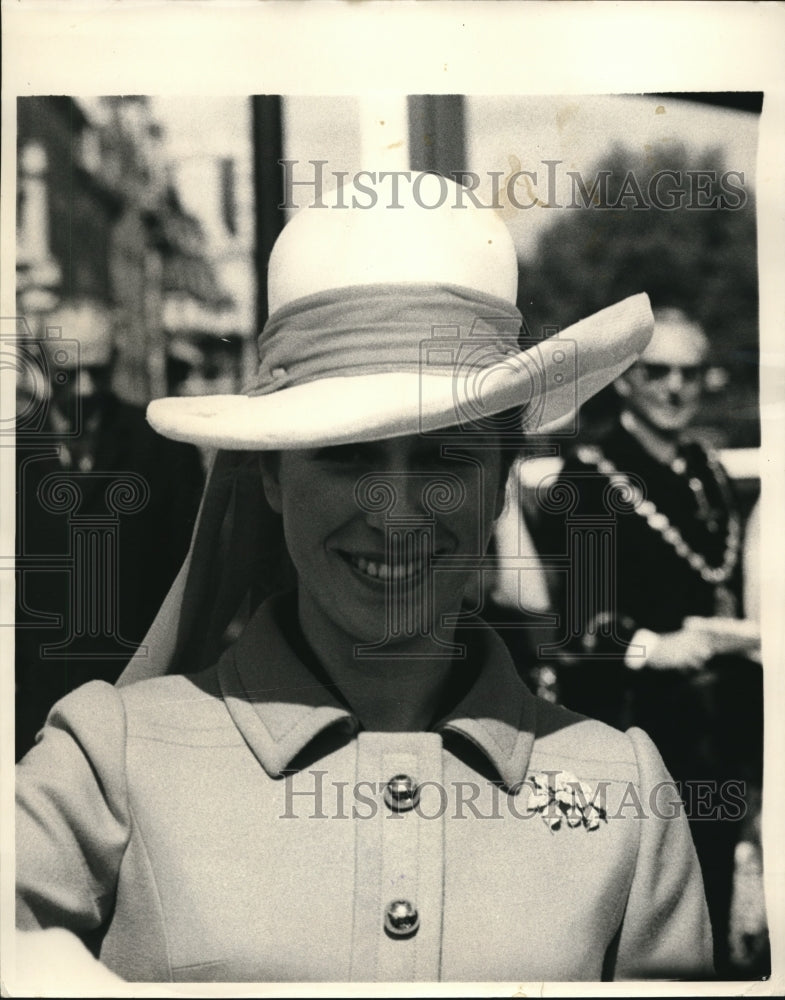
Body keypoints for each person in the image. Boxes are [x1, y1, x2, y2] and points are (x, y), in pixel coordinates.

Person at [15, 175, 713, 987]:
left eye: (445, 455)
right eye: (346, 454)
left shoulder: (620, 789)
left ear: (498, 481)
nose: (396, 512)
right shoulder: (109, 758)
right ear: (270, 476)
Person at [528, 309, 764, 976]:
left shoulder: (707, 467)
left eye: (688, 374)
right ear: (624, 381)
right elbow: (573, 619)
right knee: (638, 922)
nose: (673, 388)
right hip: (632, 731)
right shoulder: (588, 478)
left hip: (717, 733)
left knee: (710, 908)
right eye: (655, 371)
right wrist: (648, 647)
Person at [14, 319, 205, 759]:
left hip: (137, 711)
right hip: (30, 714)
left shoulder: (164, 450)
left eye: (96, 372)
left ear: (115, 363)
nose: (83, 389)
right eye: (68, 373)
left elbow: (189, 583)